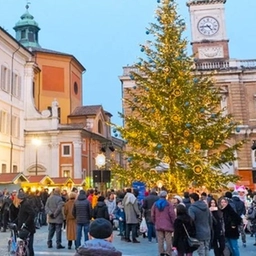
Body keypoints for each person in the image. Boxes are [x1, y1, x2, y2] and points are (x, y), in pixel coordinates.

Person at [151, 190, 176, 256]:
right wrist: (173, 222)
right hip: (168, 224)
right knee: (168, 239)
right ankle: (168, 252)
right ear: (166, 196)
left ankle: (161, 252)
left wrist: (154, 222)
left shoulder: (155, 204)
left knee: (160, 239)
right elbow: (172, 214)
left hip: (158, 224)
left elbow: (152, 214)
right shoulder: (169, 204)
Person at [17, 191, 36, 256]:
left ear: (20, 199)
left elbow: (32, 214)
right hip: (24, 228)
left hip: (28, 228)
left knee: (29, 245)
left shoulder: (25, 204)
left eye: (18, 198)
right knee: (25, 245)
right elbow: (21, 216)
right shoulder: (22, 204)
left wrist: (25, 223)